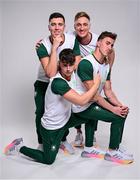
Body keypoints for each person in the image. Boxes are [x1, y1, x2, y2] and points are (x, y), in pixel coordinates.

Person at [4, 48, 101, 165]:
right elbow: (81, 101)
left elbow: (90, 60)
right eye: (65, 65)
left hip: (66, 121)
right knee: (48, 160)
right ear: (59, 64)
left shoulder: (73, 74)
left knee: (92, 114)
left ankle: (89, 148)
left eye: (71, 65)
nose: (68, 69)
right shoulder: (58, 82)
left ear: (75, 64)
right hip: (52, 127)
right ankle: (19, 147)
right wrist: (96, 85)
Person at [72, 31, 133, 164]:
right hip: (81, 105)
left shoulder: (105, 65)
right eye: (107, 43)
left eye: (112, 45)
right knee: (117, 116)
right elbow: (94, 95)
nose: (109, 47)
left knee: (122, 111)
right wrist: (113, 110)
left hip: (93, 102)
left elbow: (108, 91)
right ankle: (112, 152)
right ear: (98, 43)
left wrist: (119, 105)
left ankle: (90, 148)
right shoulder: (86, 63)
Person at [34, 12, 81, 153]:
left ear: (64, 27)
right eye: (53, 24)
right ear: (49, 27)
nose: (57, 27)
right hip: (44, 82)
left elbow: (76, 63)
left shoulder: (72, 40)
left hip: (63, 82)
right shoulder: (42, 45)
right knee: (41, 112)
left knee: (64, 111)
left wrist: (62, 68)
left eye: (60, 24)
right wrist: (54, 47)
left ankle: (63, 140)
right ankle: (42, 143)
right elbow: (50, 73)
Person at [72, 12, 115, 147]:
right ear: (74, 26)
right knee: (80, 99)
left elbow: (111, 51)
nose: (82, 28)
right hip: (79, 72)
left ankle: (91, 136)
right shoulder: (70, 37)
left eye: (85, 24)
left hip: (94, 72)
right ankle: (79, 132)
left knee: (94, 98)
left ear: (89, 26)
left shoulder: (99, 40)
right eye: (78, 24)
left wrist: (107, 70)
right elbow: (57, 36)